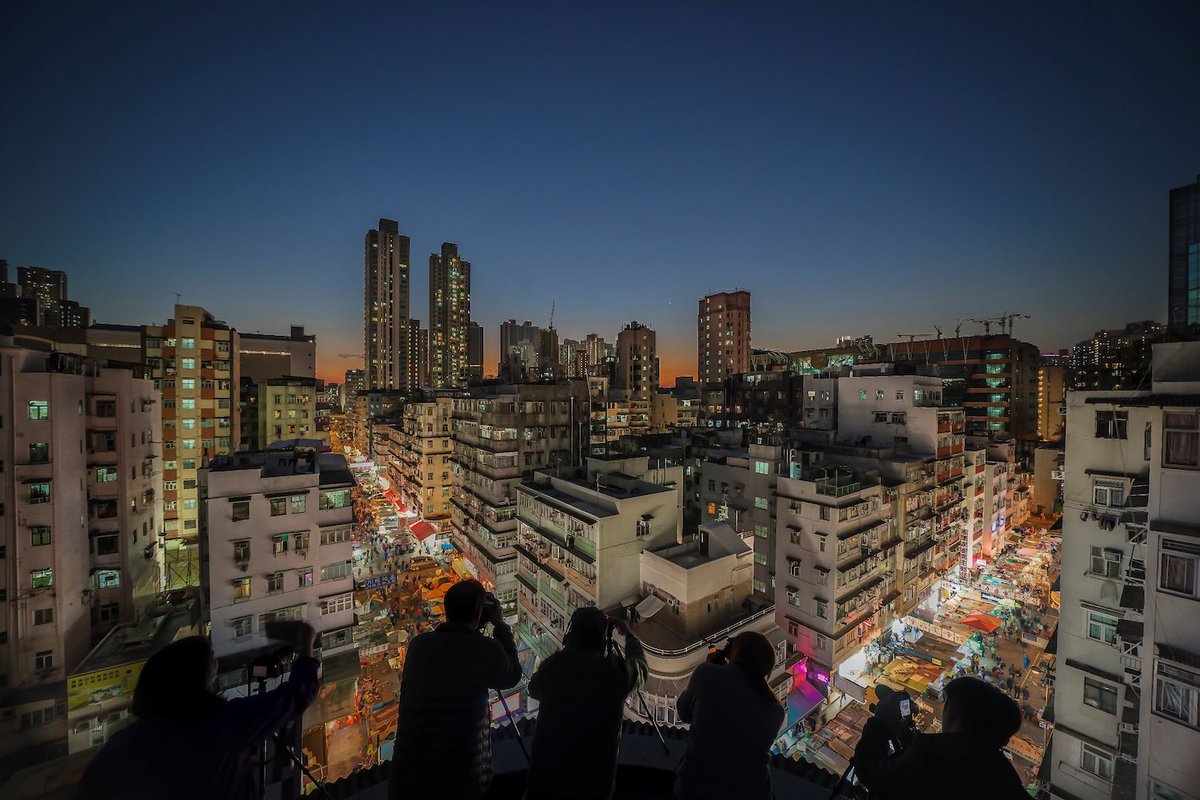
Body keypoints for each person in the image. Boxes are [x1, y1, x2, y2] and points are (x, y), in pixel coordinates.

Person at [78, 625, 321, 800]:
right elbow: (296, 695)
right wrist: (307, 645)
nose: (216, 661)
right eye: (211, 656)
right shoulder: (224, 725)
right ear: (196, 676)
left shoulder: (118, 748)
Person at [388, 579, 521, 800]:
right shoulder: (483, 649)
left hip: (407, 780)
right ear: (479, 613)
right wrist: (499, 625)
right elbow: (513, 675)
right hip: (461, 782)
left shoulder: (419, 646)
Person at [523, 608, 647, 800]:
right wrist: (629, 635)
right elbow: (640, 670)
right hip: (593, 785)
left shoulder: (553, 667)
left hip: (545, 780)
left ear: (570, 634)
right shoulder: (613, 672)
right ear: (603, 640)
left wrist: (565, 653)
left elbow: (533, 689)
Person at [853, 676, 1027, 800]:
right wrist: (906, 735)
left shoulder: (930, 754)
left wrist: (880, 722)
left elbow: (869, 772)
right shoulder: (1003, 772)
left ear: (953, 714)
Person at [674, 631, 785, 800]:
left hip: (693, 788)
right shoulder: (775, 710)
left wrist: (711, 665)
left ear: (737, 652)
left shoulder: (706, 674)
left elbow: (684, 713)